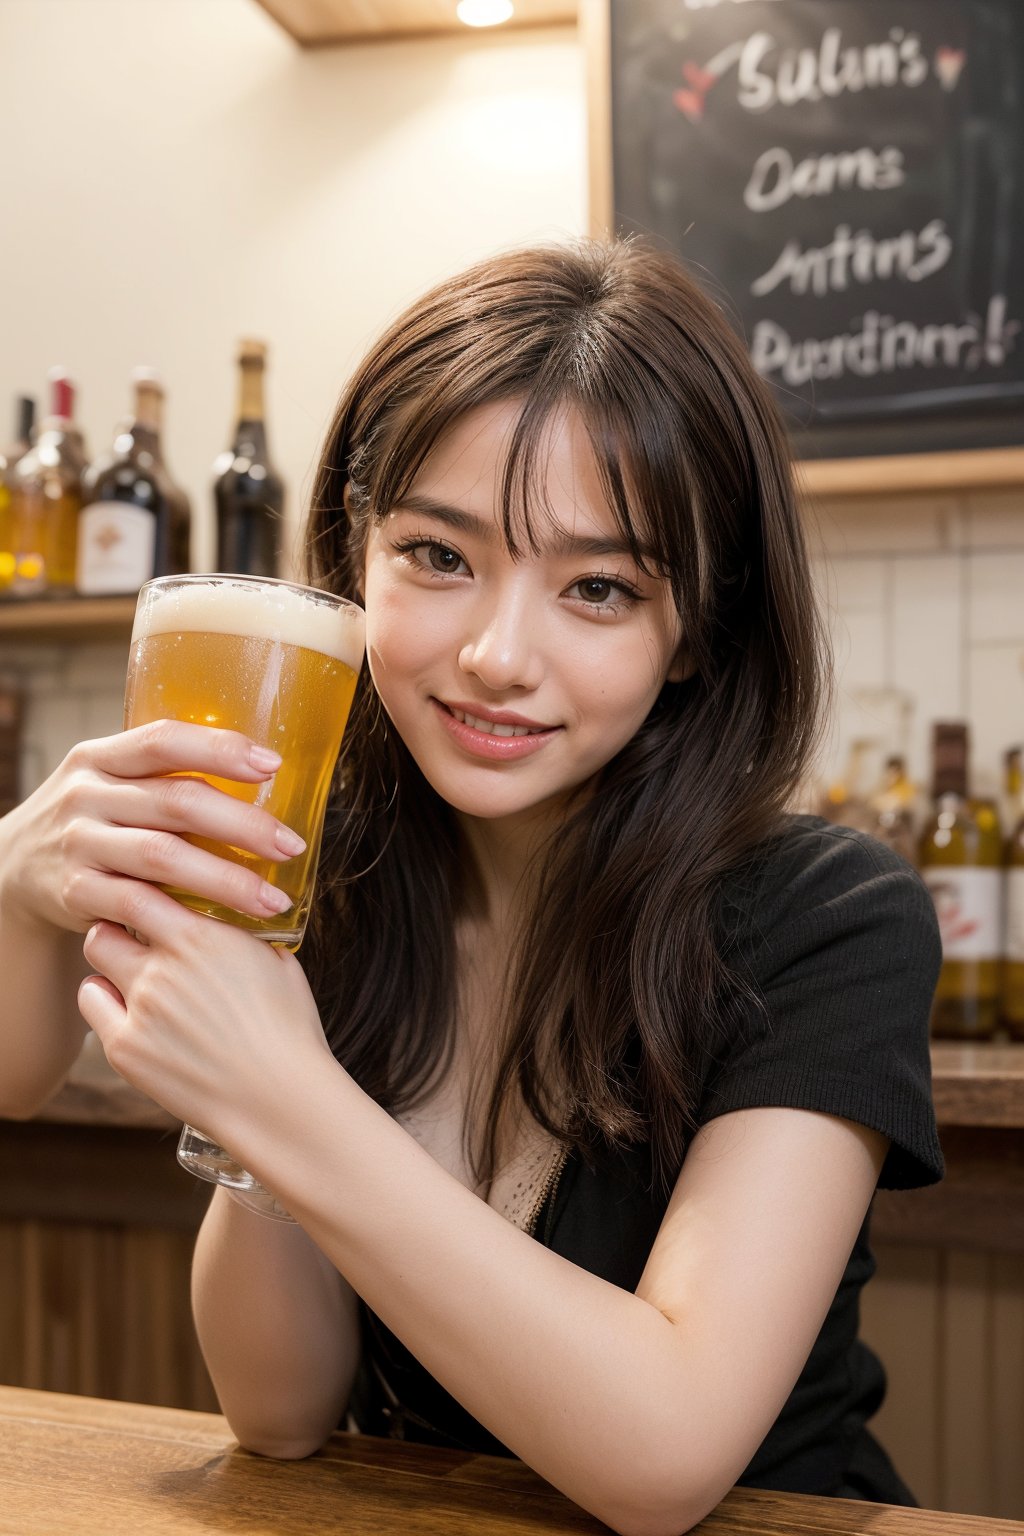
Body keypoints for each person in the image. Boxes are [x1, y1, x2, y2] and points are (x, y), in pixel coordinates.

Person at [0, 239, 942, 1536]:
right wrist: (16, 890)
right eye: (439, 558)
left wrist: (283, 1087)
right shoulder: (337, 876)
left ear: (695, 637)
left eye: (599, 588)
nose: (499, 656)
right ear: (355, 558)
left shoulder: (832, 921)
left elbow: (666, 1456)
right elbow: (279, 1411)